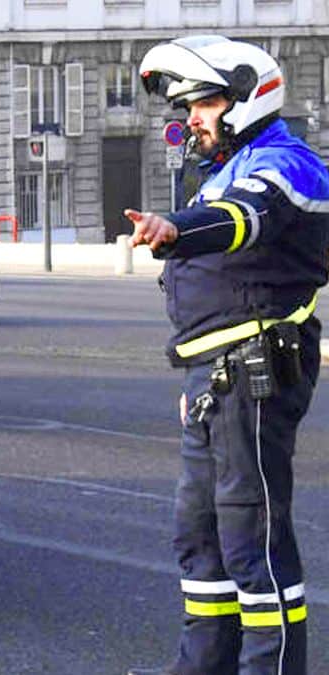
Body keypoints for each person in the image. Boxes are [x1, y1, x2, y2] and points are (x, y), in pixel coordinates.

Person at [124, 36, 329, 675]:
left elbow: (244, 220)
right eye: (185, 108)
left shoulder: (289, 163)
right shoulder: (224, 167)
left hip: (257, 375)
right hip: (217, 376)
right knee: (200, 536)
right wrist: (198, 369)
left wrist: (176, 229)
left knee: (252, 540)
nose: (191, 119)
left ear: (247, 97)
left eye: (205, 103)